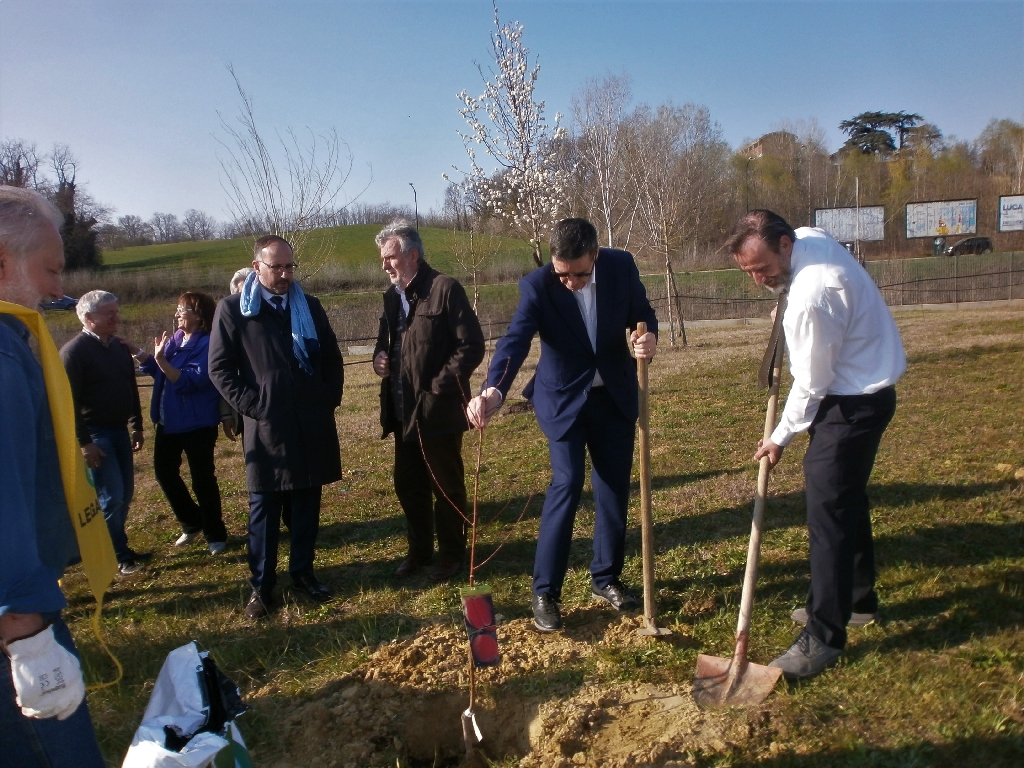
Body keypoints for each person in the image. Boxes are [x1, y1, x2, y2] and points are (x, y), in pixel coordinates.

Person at [726, 209, 906, 680]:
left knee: (827, 510)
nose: (758, 279)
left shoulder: (813, 294)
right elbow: (808, 245)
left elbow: (810, 385)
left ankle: (825, 634)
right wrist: (781, 299)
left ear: (785, 245)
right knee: (845, 498)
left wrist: (780, 436)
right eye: (748, 271)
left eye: (761, 268)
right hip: (862, 392)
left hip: (851, 405)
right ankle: (858, 599)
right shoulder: (809, 240)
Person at [467, 217, 658, 632]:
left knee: (612, 487)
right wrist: (493, 391)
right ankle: (546, 592)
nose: (570, 282)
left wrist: (649, 337)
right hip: (563, 400)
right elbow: (515, 341)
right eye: (562, 274)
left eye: (580, 273)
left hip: (614, 396)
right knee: (567, 484)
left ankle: (606, 578)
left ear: (596, 254)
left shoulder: (621, 267)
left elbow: (642, 313)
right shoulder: (537, 286)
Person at [0, 185, 106, 766]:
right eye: (49, 270)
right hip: (15, 618)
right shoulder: (1, 353)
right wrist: (27, 630)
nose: (59, 290)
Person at [209, 235, 344, 620]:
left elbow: (332, 359)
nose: (285, 274)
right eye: (276, 267)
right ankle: (262, 587)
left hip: (310, 422)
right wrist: (255, 407)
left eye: (290, 267)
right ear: (257, 268)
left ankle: (303, 574)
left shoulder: (310, 307)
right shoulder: (235, 310)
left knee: (306, 504)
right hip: (267, 428)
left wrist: (326, 398)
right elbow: (219, 369)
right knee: (264, 509)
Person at [373, 221, 485, 581]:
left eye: (390, 257)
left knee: (446, 486)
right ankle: (419, 551)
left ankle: (451, 554)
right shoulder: (392, 298)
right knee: (409, 485)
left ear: (413, 255)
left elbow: (471, 346)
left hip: (438, 411)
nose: (385, 266)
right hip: (402, 412)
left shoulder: (445, 289)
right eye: (383, 259)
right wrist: (379, 358)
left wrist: (437, 389)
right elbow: (384, 343)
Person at [60, 290, 150, 575]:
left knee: (125, 493)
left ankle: (116, 546)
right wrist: (84, 442)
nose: (116, 318)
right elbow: (68, 403)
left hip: (119, 431)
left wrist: (137, 425)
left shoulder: (118, 347)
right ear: (88, 318)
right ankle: (116, 555)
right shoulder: (74, 353)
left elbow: (130, 388)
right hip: (96, 434)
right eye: (109, 313)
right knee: (111, 496)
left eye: (116, 311)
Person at [132, 292, 229, 554]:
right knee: (164, 474)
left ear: (198, 316)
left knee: (202, 480)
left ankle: (215, 534)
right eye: (177, 309)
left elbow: (190, 382)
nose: (177, 314)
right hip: (168, 422)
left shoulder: (208, 344)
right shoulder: (176, 340)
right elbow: (160, 372)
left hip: (197, 424)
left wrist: (162, 360)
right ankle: (192, 521)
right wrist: (140, 354)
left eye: (182, 310)